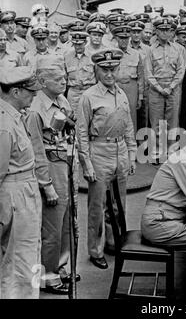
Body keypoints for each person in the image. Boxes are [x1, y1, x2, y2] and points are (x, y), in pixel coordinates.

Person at [76, 48, 137, 269]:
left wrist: (131, 154)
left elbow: (128, 125)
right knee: (97, 206)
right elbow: (81, 133)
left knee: (119, 203)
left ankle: (115, 242)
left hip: (119, 149)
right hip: (99, 151)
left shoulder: (121, 93)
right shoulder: (88, 97)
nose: (109, 74)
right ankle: (95, 250)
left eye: (113, 69)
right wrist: (87, 163)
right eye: (104, 70)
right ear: (96, 70)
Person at [25, 55, 78, 294]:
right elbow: (36, 151)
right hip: (49, 168)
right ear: (43, 82)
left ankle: (61, 267)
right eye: (57, 79)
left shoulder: (61, 99)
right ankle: (47, 276)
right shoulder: (35, 110)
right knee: (51, 229)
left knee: (67, 222)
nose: (63, 82)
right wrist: (45, 185)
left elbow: (68, 128)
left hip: (65, 166)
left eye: (64, 77)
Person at [0, 66, 42, 299]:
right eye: (30, 91)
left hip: (23, 191)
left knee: (26, 257)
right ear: (15, 92)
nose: (34, 95)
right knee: (20, 263)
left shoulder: (14, 117)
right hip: (16, 196)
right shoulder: (4, 124)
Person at [145, 17, 186, 162]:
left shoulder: (178, 49)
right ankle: (157, 153)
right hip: (156, 89)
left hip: (173, 88)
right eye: (161, 30)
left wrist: (171, 87)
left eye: (168, 30)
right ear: (156, 31)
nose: (164, 33)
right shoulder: (150, 50)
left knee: (172, 122)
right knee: (156, 123)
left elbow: (181, 70)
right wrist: (159, 88)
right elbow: (148, 73)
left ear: (172, 32)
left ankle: (171, 152)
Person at [113, 25, 144, 134]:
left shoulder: (136, 54)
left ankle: (132, 145)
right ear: (116, 38)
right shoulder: (111, 53)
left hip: (131, 89)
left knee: (131, 117)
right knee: (115, 116)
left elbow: (141, 77)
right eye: (121, 38)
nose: (124, 41)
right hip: (115, 87)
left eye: (126, 38)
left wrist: (140, 97)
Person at [64, 31, 96, 116]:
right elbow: (64, 77)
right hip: (73, 92)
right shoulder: (67, 56)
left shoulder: (92, 56)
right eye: (75, 44)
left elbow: (97, 76)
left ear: (85, 42)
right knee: (72, 118)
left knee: (89, 116)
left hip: (88, 91)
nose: (77, 47)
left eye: (80, 44)